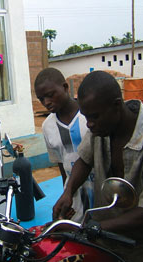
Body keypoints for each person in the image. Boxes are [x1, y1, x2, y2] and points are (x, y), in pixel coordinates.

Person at [52, 71, 143, 262]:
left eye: (94, 117)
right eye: (86, 117)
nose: (89, 124)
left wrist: (92, 227)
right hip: (106, 240)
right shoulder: (100, 129)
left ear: (116, 105)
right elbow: (84, 160)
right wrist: (68, 191)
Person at [34, 67, 94, 222]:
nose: (46, 102)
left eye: (50, 95)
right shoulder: (48, 126)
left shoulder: (90, 115)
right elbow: (61, 166)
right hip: (74, 195)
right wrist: (66, 193)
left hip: (100, 188)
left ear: (65, 87)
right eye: (41, 99)